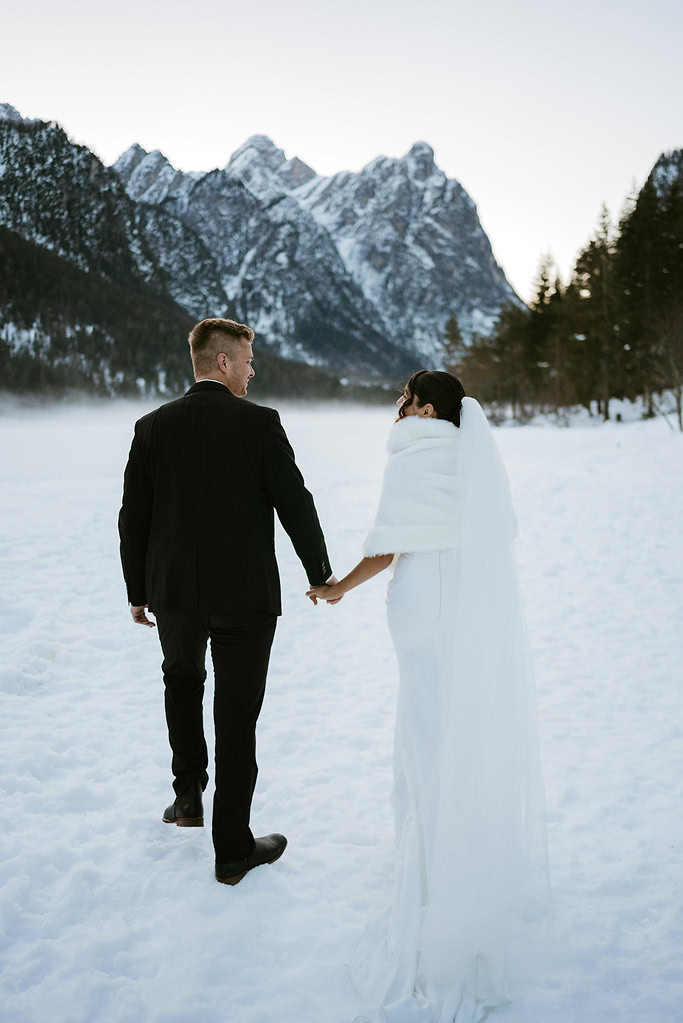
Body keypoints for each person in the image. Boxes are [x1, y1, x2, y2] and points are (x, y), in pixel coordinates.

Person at [307, 370, 553, 1023]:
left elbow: (388, 548)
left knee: (422, 731)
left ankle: (431, 867)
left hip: (421, 611)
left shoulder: (414, 450)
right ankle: (460, 843)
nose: (398, 406)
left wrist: (335, 587)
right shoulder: (469, 460)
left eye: (405, 397)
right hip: (461, 611)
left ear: (425, 407)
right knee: (455, 726)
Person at [118, 317, 337, 885]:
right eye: (247, 361)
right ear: (222, 362)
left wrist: (138, 591)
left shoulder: (152, 427)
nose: (251, 370)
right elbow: (296, 502)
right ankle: (232, 849)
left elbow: (133, 518)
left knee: (182, 683)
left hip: (173, 595)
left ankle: (187, 797)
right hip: (245, 597)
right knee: (236, 716)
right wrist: (319, 572)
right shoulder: (259, 423)